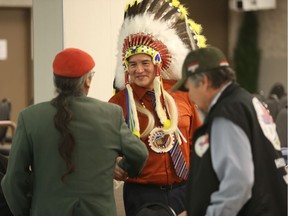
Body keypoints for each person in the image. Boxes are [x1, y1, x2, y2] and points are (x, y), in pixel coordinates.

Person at [1, 48, 148, 216]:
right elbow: (139, 153)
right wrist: (123, 168)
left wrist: (26, 212)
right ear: (87, 81)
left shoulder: (30, 118)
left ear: (56, 81)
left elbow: (13, 180)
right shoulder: (110, 114)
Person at [109, 0, 206, 215]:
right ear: (126, 68)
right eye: (133, 64)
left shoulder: (183, 95)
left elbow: (200, 140)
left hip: (185, 189)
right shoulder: (117, 104)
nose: (139, 70)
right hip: (141, 193)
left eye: (145, 63)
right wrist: (111, 164)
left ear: (158, 63)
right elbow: (105, 148)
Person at [172, 46, 288, 216]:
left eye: (189, 89)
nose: (190, 97)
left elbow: (238, 182)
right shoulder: (246, 102)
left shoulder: (227, 113)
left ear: (203, 81)